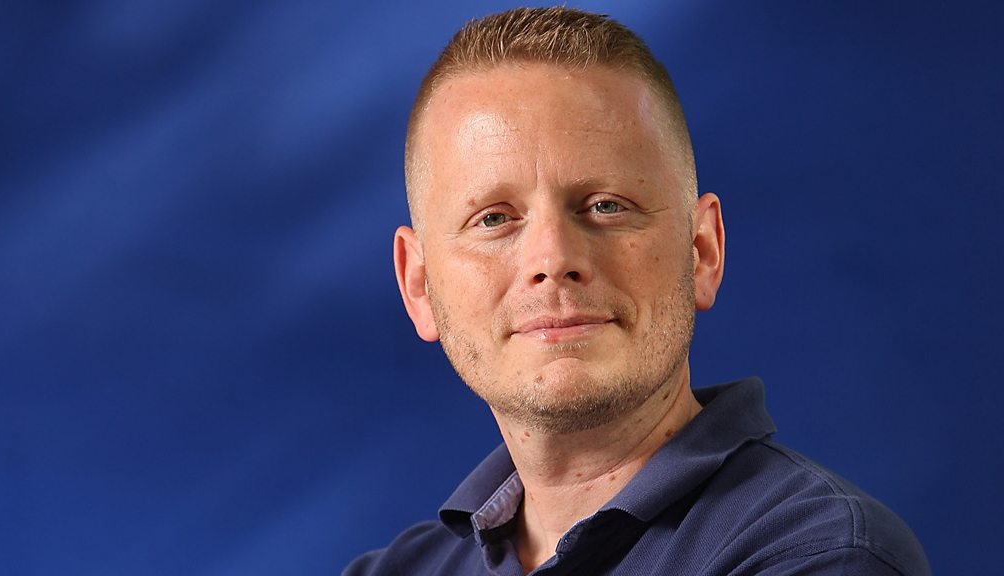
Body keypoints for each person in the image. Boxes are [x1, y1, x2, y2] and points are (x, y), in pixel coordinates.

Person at [346, 6, 930, 575]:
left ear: (701, 251)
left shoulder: (822, 556)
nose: (553, 260)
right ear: (419, 285)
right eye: (494, 219)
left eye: (606, 206)